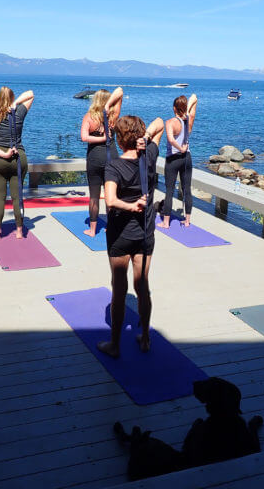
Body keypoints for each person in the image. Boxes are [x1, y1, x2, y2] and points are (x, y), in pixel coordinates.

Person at [97, 115, 164, 358]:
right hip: (145, 235)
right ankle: (145, 338)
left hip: (120, 235)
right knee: (142, 287)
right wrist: (145, 139)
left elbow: (111, 201)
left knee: (119, 288)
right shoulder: (149, 157)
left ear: (119, 138)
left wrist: (131, 206)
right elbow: (160, 122)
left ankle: (115, 345)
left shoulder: (113, 166)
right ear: (138, 137)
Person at [0, 87, 34, 240]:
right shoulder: (19, 113)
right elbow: (30, 94)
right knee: (17, 197)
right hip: (18, 158)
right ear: (12, 98)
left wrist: (3, 154)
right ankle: (19, 232)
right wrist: (16, 103)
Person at [80, 87, 123, 236]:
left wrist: (99, 139)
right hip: (111, 157)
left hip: (94, 158)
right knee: (111, 194)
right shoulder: (113, 116)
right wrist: (105, 138)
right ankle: (112, 227)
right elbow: (120, 91)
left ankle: (92, 230)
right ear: (107, 101)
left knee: (94, 195)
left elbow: (84, 137)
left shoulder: (89, 117)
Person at [159, 94, 198, 228]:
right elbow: (194, 97)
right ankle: (187, 221)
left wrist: (180, 148)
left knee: (169, 190)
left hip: (174, 158)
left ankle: (166, 222)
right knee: (187, 189)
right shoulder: (188, 121)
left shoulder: (170, 122)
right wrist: (187, 111)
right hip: (187, 158)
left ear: (174, 108)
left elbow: (170, 139)